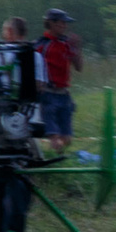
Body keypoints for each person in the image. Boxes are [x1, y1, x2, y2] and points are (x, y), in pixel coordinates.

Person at [34, 8, 82, 155]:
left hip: (64, 94)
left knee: (67, 138)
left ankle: (55, 158)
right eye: (62, 23)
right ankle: (53, 162)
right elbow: (33, 67)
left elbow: (79, 67)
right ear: (52, 23)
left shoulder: (66, 44)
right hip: (48, 93)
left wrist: (77, 49)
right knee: (54, 136)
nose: (65, 26)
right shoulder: (41, 45)